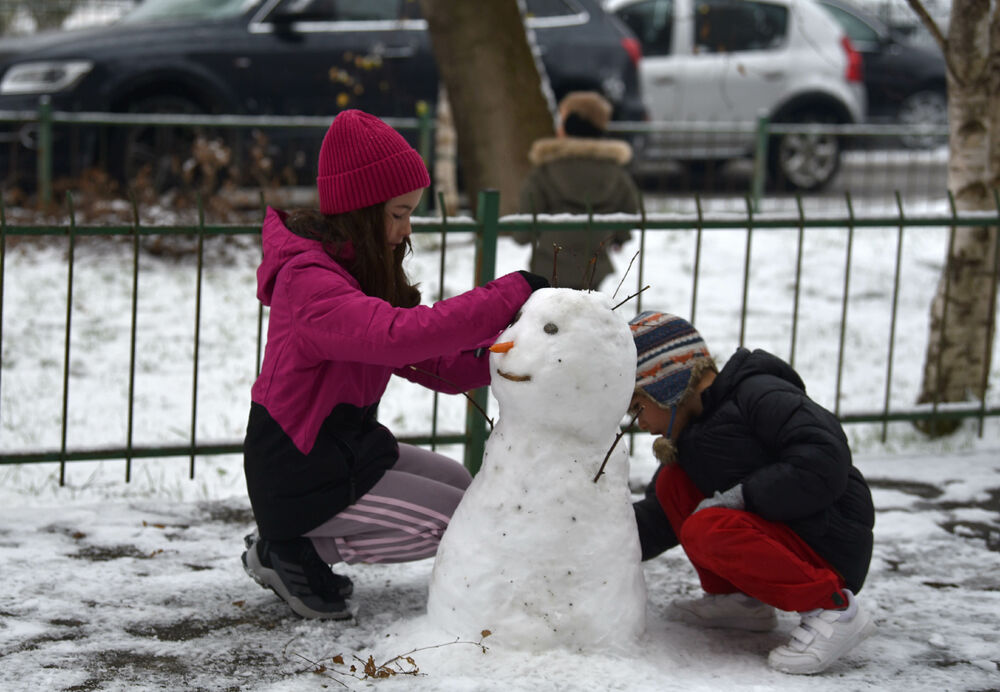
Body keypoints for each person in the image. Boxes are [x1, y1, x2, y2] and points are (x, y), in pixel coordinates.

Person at [240, 109, 548, 620]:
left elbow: (435, 363)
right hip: (301, 470)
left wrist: (510, 352)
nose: (406, 230)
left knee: (462, 487)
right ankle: (293, 548)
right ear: (362, 210)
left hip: (345, 449)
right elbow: (397, 337)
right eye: (399, 213)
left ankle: (293, 543)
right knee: (453, 522)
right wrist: (507, 293)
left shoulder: (356, 272)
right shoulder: (309, 283)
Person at [628, 311, 877, 675]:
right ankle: (740, 602)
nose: (640, 423)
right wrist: (601, 539)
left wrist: (744, 496)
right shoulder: (694, 432)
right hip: (786, 535)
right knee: (672, 484)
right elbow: (662, 518)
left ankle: (833, 609)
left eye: (638, 406)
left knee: (707, 527)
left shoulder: (759, 394)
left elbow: (824, 458)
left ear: (665, 386)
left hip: (829, 541)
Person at [515, 91, 640, 290]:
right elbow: (628, 209)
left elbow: (528, 213)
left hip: (550, 265)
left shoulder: (546, 169)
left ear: (570, 124)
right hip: (594, 267)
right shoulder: (615, 172)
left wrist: (522, 236)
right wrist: (620, 237)